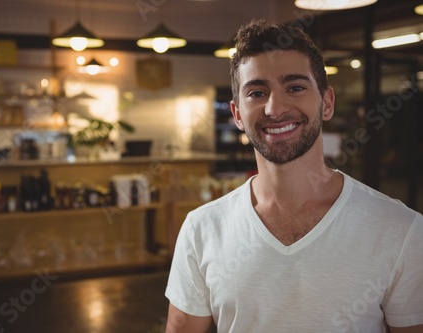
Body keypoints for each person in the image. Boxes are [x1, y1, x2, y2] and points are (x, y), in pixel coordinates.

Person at [165, 18, 423, 333]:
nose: (275, 108)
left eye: (295, 87)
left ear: (326, 103)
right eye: (257, 92)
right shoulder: (201, 229)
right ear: (237, 115)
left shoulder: (401, 228)